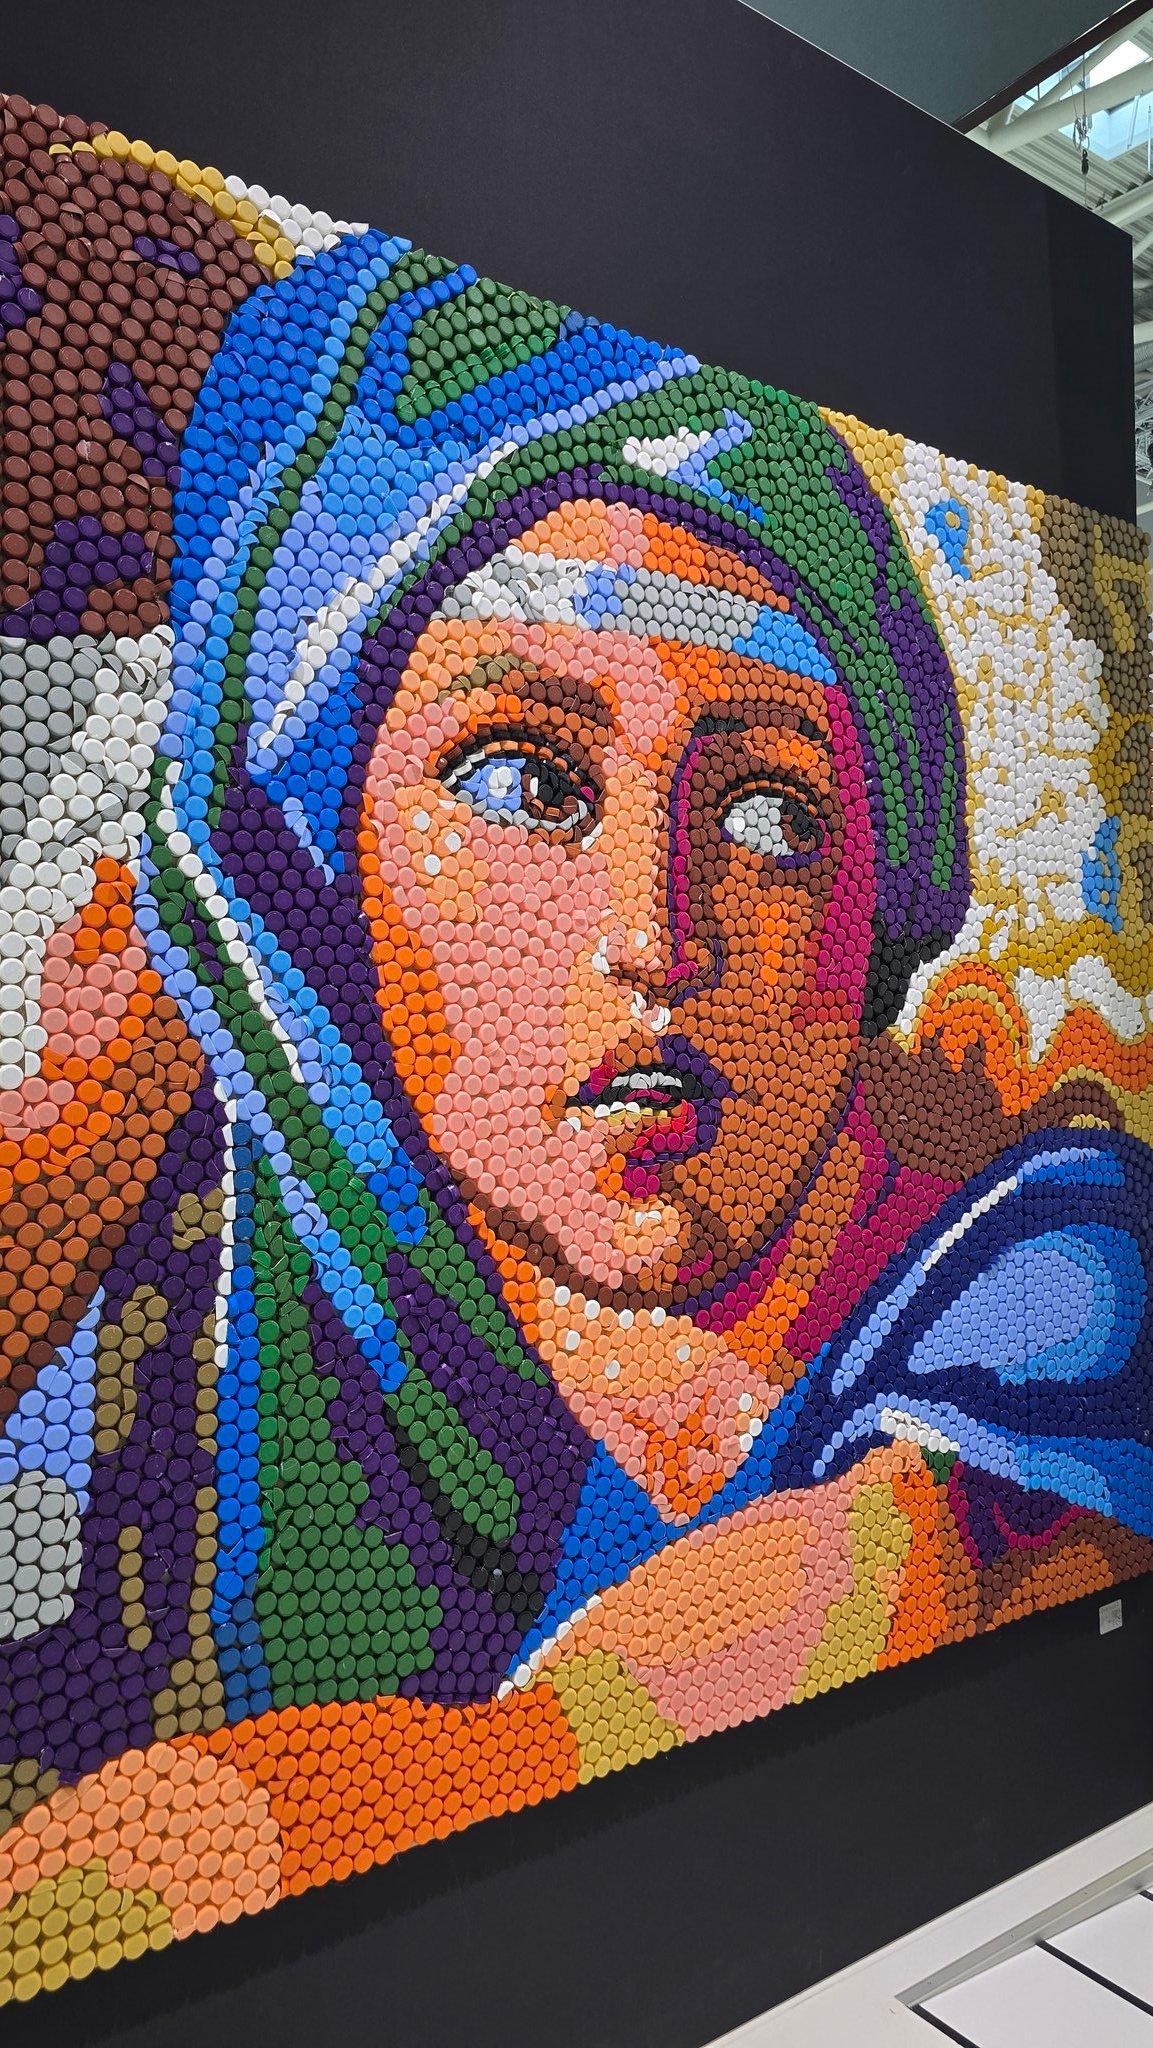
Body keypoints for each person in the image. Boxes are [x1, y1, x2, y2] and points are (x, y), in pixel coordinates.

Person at [0, 126, 1151, 1959]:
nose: (656, 937)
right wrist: (90, 1105)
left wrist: (280, 1833)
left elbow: (832, 1612)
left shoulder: (1045, 1274)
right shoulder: (219, 1310)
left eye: (769, 814)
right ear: (315, 861)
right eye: (524, 779)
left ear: (879, 890)